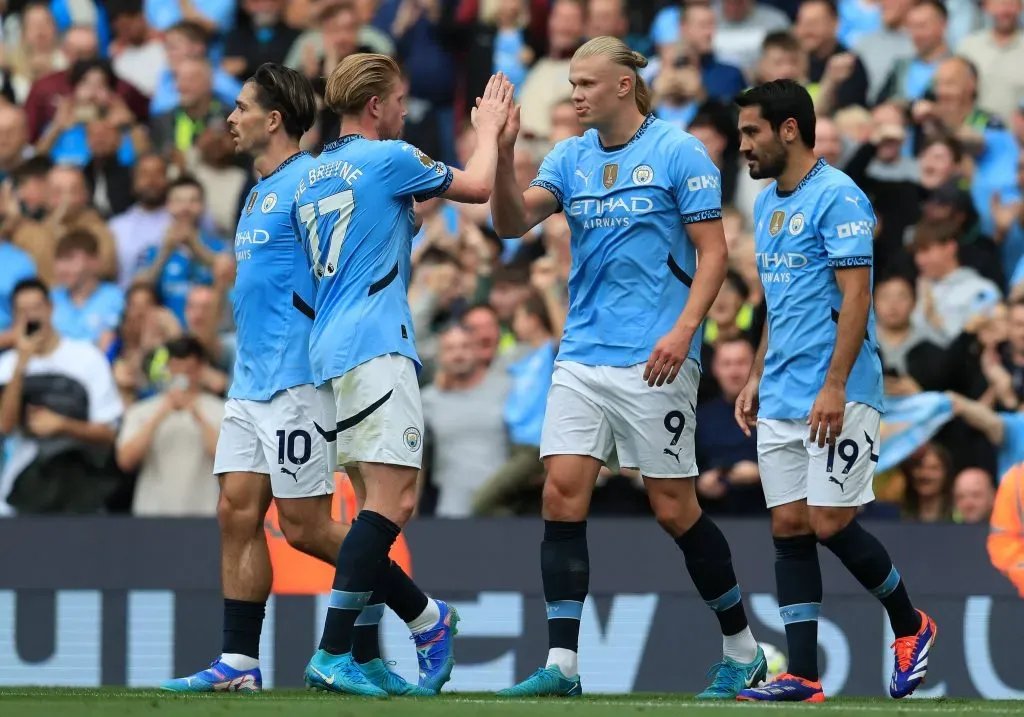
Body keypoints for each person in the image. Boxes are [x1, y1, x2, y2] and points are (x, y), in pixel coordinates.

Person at [489, 36, 765, 699]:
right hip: (581, 354)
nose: (574, 93)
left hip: (655, 360)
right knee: (560, 490)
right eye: (572, 83)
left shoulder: (677, 152)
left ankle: (743, 647)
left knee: (673, 508)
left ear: (622, 85)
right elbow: (508, 222)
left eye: (586, 83)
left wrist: (683, 331)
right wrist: (500, 154)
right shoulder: (569, 156)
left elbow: (714, 254)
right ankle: (562, 663)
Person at [158, 63, 436, 696]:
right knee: (236, 512)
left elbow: (375, 224)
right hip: (248, 380)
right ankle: (239, 664)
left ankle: (423, 616)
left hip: (299, 379)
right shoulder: (256, 189)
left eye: (241, 107)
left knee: (307, 525)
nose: (230, 118)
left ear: (274, 118)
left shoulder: (314, 177)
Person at [293, 54, 513, 697]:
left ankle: (362, 652)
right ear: (376, 106)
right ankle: (374, 636)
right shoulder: (389, 158)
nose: (403, 112)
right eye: (399, 102)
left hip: (328, 350)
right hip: (376, 346)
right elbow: (475, 188)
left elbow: (381, 232)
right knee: (396, 504)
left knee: (368, 512)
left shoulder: (313, 174)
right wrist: (492, 129)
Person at [732, 79, 937, 703]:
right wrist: (756, 373)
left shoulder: (840, 196)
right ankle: (802, 675)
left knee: (827, 519)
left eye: (751, 132)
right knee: (789, 526)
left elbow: (857, 297)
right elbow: (778, 301)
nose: (743, 145)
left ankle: (911, 623)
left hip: (840, 391)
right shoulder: (767, 204)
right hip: (785, 389)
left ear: (788, 128)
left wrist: (835, 385)